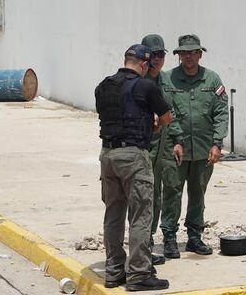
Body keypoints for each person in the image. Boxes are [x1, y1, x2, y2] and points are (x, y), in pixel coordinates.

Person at [95, 44, 172, 291]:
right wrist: (154, 128)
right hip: (133, 156)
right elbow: (166, 117)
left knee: (113, 214)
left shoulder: (103, 86)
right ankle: (138, 274)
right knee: (140, 215)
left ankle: (114, 273)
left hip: (107, 154)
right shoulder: (145, 85)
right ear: (143, 64)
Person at [160, 34, 229, 259]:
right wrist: (175, 139)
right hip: (174, 148)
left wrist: (217, 144)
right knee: (172, 191)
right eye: (184, 53)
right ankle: (169, 237)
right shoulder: (167, 80)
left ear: (200, 54)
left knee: (198, 192)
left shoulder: (212, 80)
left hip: (203, 148)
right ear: (178, 55)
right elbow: (164, 113)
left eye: (193, 52)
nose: (189, 57)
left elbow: (220, 113)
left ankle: (194, 236)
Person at [140, 34, 184, 266]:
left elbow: (172, 112)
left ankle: (169, 237)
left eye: (160, 55)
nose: (157, 59)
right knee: (149, 197)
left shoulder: (167, 82)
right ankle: (144, 243)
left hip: (166, 146)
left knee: (172, 191)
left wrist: (177, 140)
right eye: (152, 55)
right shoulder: (137, 82)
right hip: (147, 146)